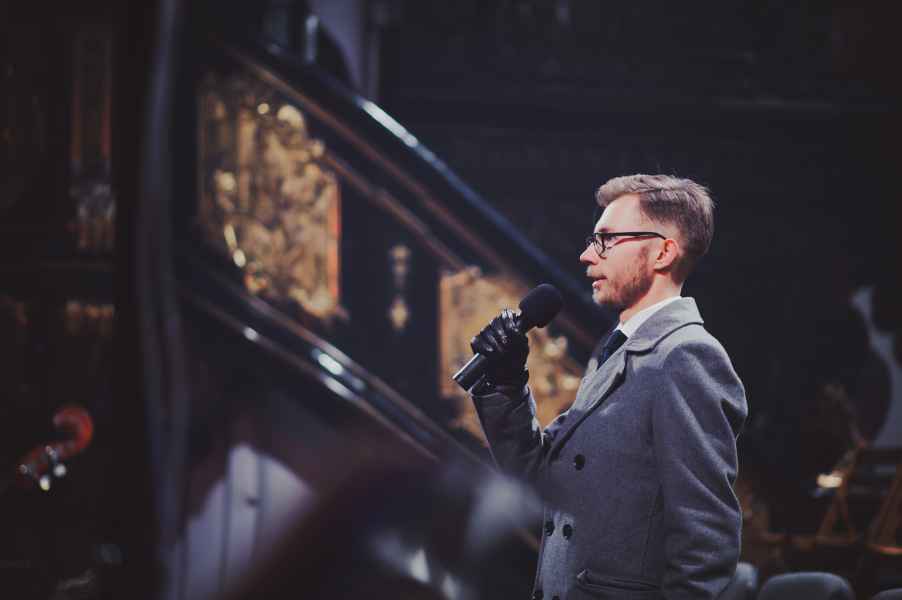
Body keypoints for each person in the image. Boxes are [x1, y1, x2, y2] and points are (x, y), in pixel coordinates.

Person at [469, 174, 748, 599]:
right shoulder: (617, 350)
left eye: (606, 240)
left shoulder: (686, 356)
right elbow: (539, 478)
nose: (586, 255)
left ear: (663, 252)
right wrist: (506, 385)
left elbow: (706, 543)